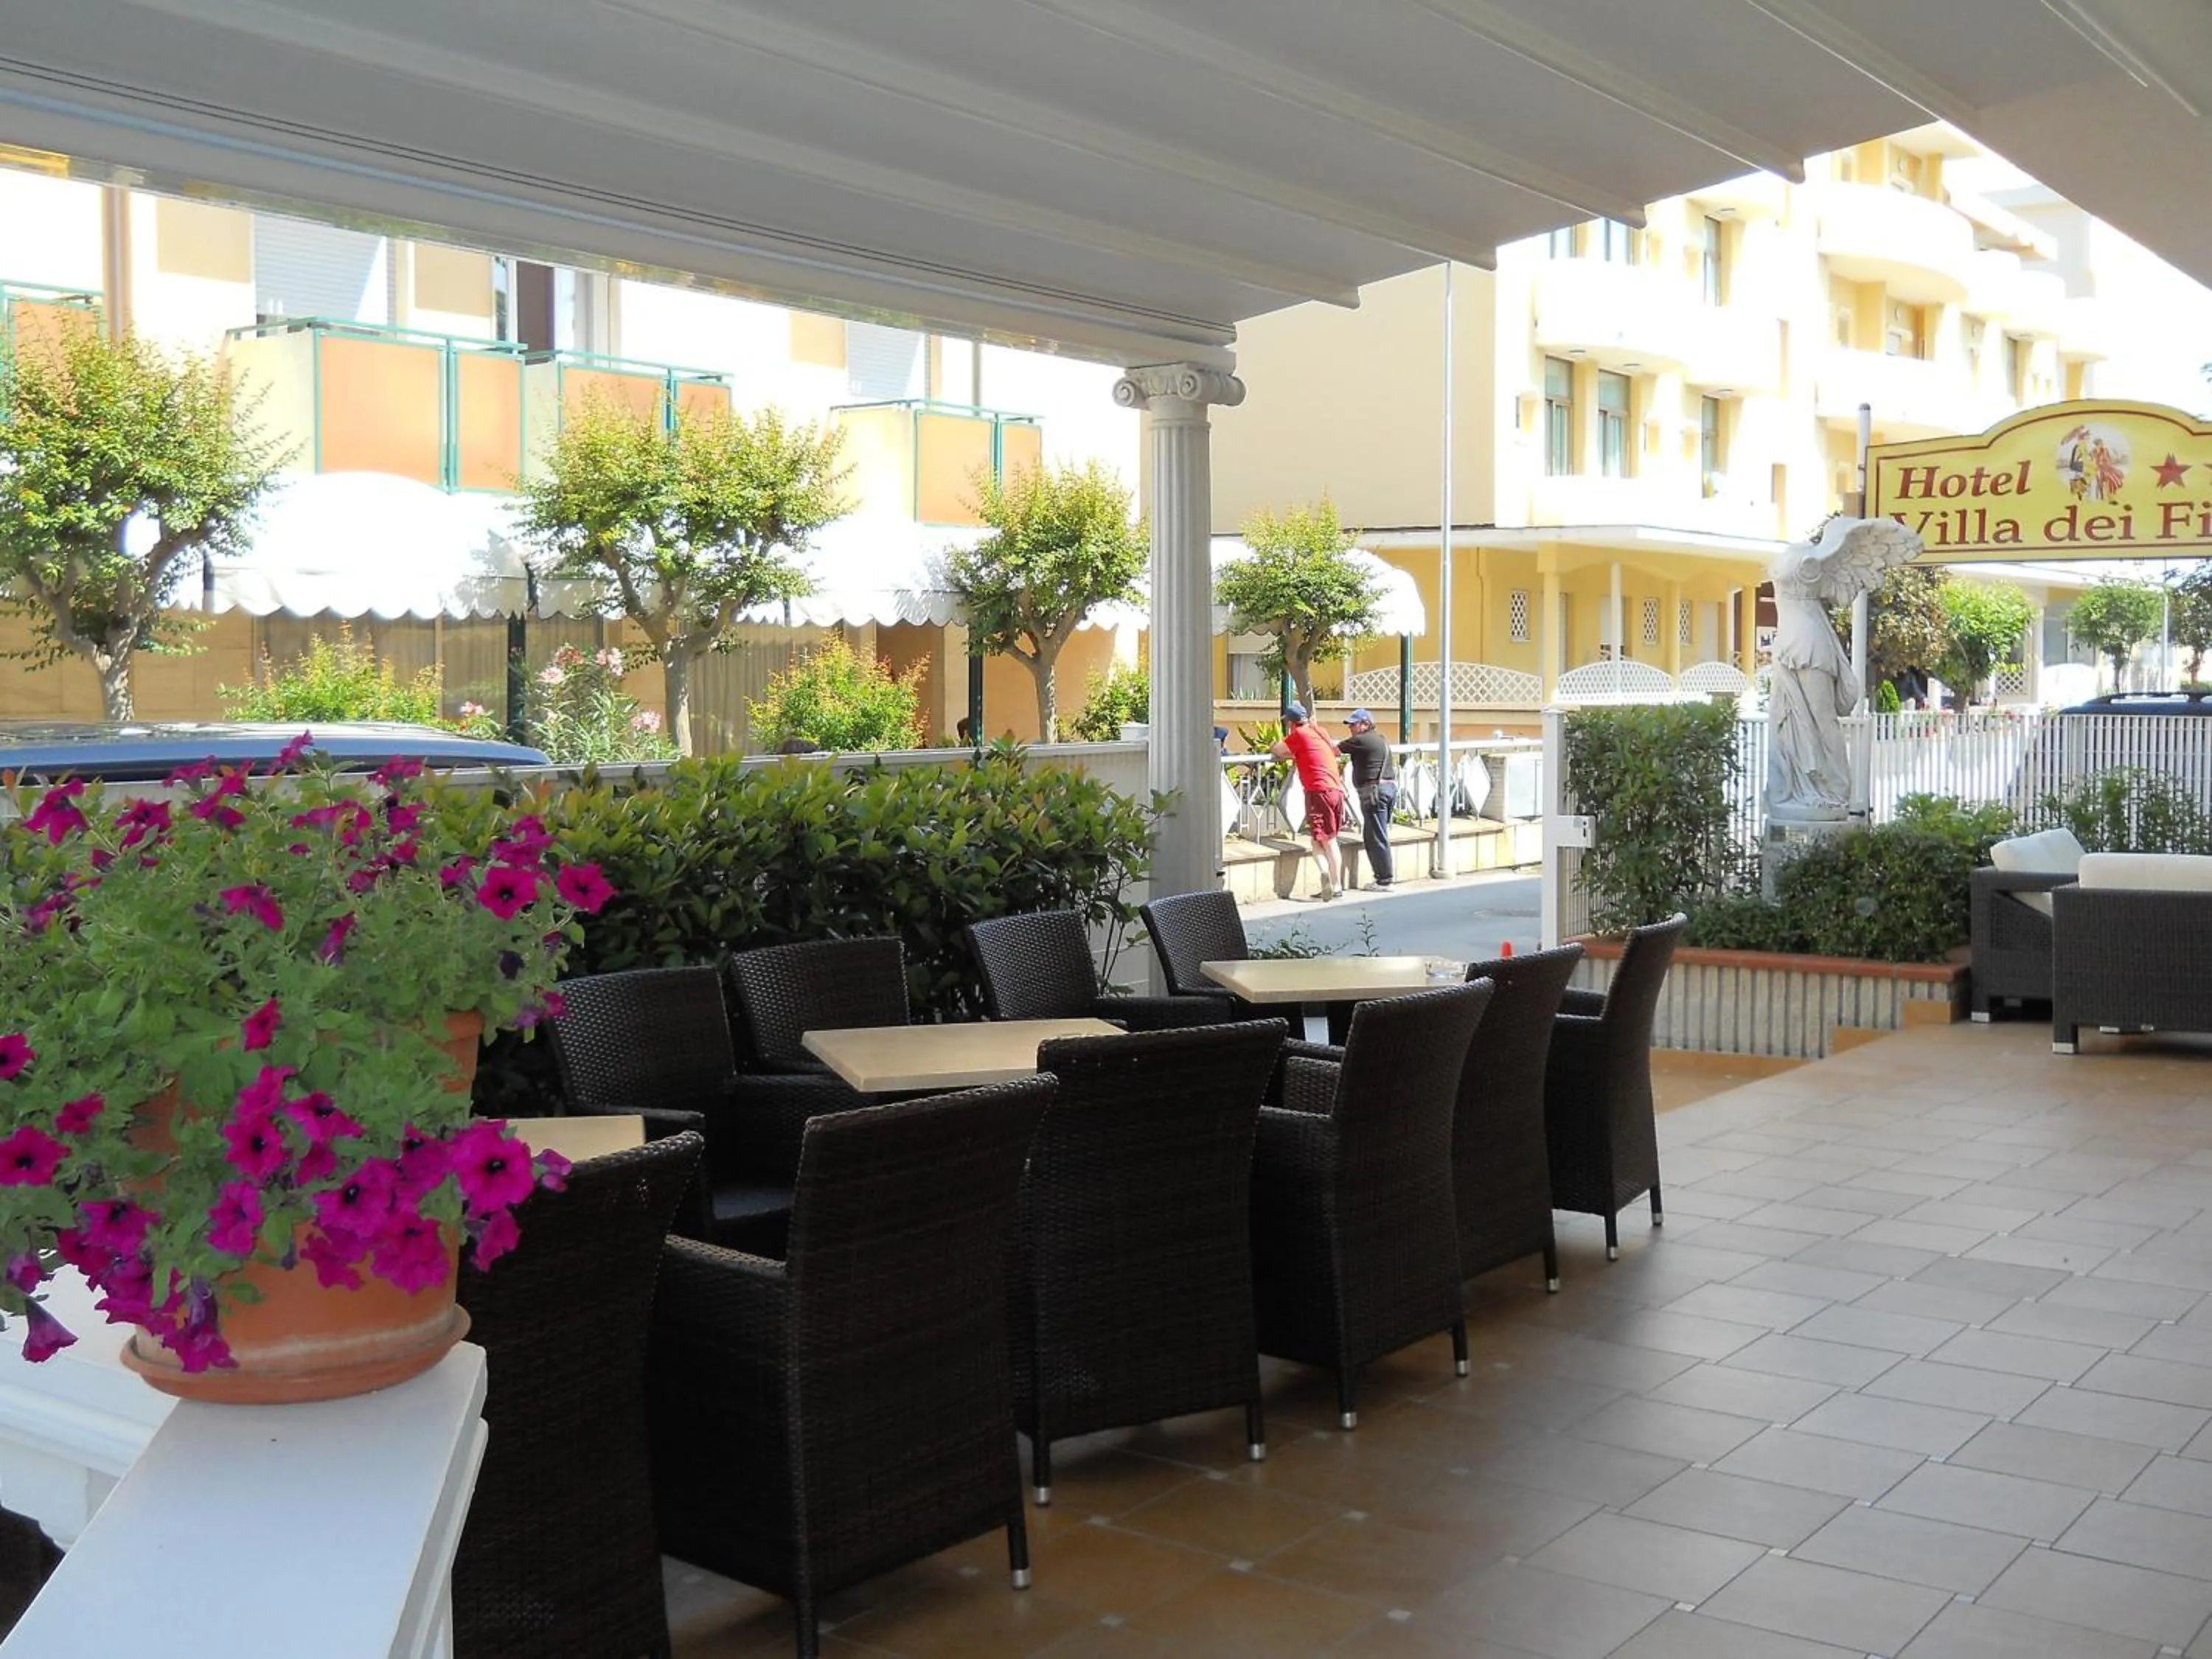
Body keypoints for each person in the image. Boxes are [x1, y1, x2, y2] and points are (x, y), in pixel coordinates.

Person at [1271, 702, 1346, 900]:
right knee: (1331, 838)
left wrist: (1285, 750)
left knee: (1320, 841)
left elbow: (1278, 750)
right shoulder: (1320, 731)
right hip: (1336, 790)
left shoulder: (1299, 735)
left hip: (1318, 791)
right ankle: (1337, 884)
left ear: (1291, 723)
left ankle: (1327, 876)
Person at [1340, 709, 1398, 889]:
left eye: (1354, 724)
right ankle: (1382, 876)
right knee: (1374, 834)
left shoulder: (1361, 740)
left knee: (1376, 836)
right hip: (1387, 789)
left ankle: (1385, 880)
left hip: (1374, 792)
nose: (1351, 728)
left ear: (1365, 724)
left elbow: (1334, 749)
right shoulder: (1381, 739)